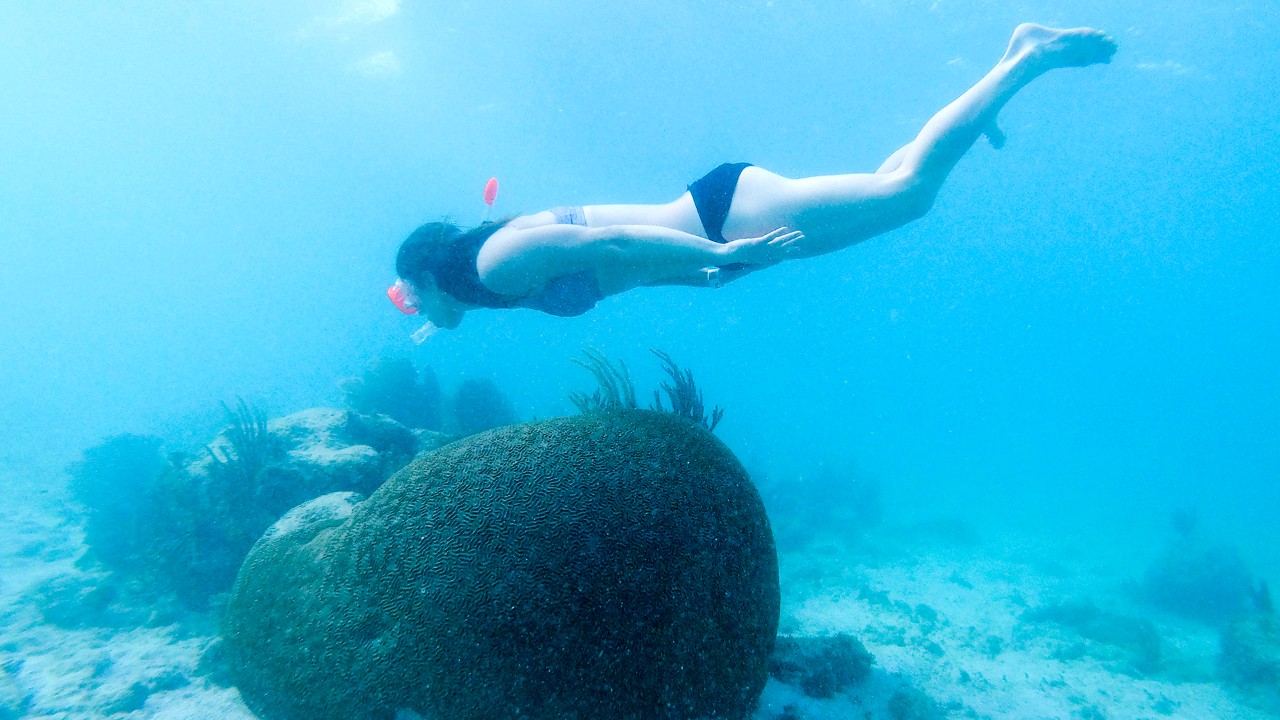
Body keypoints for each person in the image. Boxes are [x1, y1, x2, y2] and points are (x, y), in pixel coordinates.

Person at [390, 23, 1117, 332]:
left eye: (408, 300)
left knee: (909, 196)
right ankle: (991, 90)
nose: (415, 314)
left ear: (425, 278)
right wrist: (701, 277)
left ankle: (1027, 58)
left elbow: (612, 244)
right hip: (713, 244)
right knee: (896, 188)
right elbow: (628, 270)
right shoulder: (487, 285)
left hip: (720, 220)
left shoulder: (495, 261)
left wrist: (719, 255)